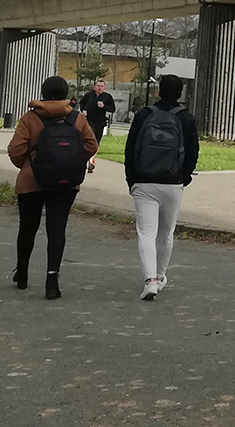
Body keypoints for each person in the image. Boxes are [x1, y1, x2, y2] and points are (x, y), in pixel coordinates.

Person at [7, 76, 97, 299]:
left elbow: (15, 149)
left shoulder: (30, 118)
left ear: (43, 92)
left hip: (32, 181)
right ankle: (52, 280)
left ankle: (23, 274)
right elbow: (91, 145)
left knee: (27, 227)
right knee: (57, 229)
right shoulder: (77, 119)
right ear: (66, 93)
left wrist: (29, 165)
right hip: (66, 182)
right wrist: (71, 161)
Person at [125, 74, 199, 301]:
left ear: (158, 91)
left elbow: (130, 150)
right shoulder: (186, 118)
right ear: (181, 94)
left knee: (146, 233)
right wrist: (184, 177)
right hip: (173, 182)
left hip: (144, 182)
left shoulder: (144, 115)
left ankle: (150, 280)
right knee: (166, 234)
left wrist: (132, 180)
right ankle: (160, 274)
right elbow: (193, 152)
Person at [77, 80, 116, 173]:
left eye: (101, 86)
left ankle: (91, 161)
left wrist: (104, 106)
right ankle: (89, 161)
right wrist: (83, 110)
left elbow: (112, 109)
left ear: (104, 87)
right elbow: (82, 103)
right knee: (90, 139)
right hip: (89, 121)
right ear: (94, 87)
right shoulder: (89, 95)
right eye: (98, 85)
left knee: (96, 142)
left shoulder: (107, 97)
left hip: (100, 122)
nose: (99, 88)